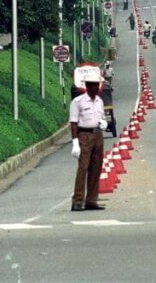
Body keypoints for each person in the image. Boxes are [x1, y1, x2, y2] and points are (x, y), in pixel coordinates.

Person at [69, 71, 107, 211]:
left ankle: (91, 200)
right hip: (84, 135)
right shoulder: (78, 102)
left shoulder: (100, 101)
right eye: (92, 85)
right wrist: (75, 142)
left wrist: (103, 123)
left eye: (97, 85)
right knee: (83, 168)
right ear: (87, 86)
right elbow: (73, 123)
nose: (95, 88)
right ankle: (78, 201)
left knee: (96, 168)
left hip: (97, 135)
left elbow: (101, 117)